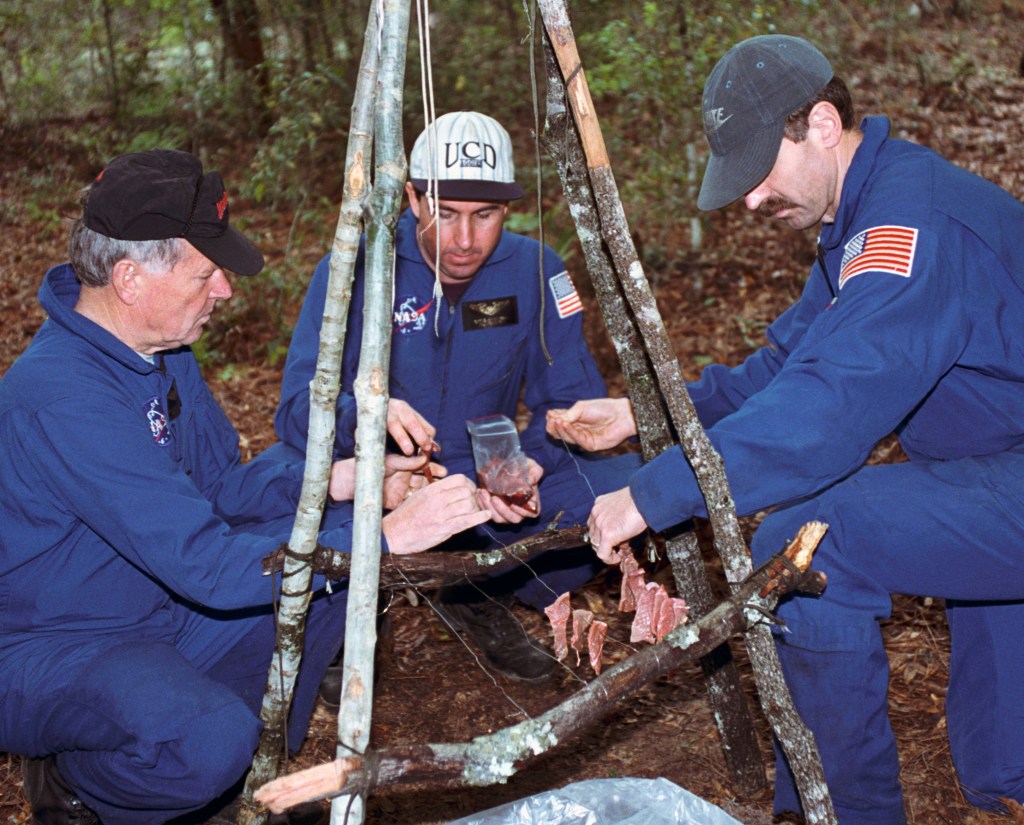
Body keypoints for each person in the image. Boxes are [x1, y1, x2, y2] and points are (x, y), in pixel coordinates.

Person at [546, 34, 1024, 824]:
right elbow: (782, 371)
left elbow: (833, 403)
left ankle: (843, 809)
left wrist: (655, 491)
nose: (753, 200)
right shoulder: (866, 216)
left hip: (1007, 467)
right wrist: (647, 418)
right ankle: (1002, 774)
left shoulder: (909, 228)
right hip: (995, 461)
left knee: (809, 542)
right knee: (997, 737)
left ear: (824, 125)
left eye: (761, 171)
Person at [0, 149, 488, 824]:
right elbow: (206, 563)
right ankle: (80, 784)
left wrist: (348, 483)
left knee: (327, 587)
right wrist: (382, 537)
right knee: (209, 737)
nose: (224, 289)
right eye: (205, 273)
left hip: (153, 610)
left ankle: (227, 782)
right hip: (57, 645)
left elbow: (222, 490)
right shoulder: (62, 393)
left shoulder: (161, 354)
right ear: (129, 278)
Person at [274, 111, 641, 685]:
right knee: (287, 485)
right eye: (445, 214)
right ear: (414, 199)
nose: (465, 240)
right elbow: (297, 409)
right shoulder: (358, 269)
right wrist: (367, 423)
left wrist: (520, 467)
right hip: (381, 479)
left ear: (508, 210)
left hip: (480, 475)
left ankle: (478, 587)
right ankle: (348, 615)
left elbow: (570, 403)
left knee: (629, 481)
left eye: (485, 215)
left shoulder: (534, 269)